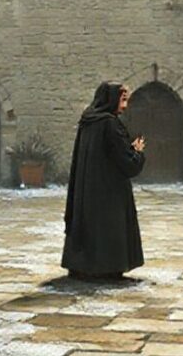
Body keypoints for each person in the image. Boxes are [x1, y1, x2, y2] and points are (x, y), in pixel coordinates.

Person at [62, 82, 146, 280]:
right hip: (109, 192)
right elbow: (127, 163)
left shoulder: (88, 121)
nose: (125, 106)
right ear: (111, 99)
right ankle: (107, 267)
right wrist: (137, 152)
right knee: (107, 224)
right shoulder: (110, 123)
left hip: (88, 190)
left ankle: (82, 266)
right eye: (122, 99)